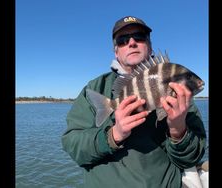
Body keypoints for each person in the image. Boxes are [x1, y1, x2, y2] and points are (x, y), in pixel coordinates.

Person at [61, 16, 207, 188]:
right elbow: (73, 146)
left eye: (139, 37)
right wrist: (113, 135)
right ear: (116, 51)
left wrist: (178, 130)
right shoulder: (95, 88)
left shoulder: (181, 96)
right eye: (122, 40)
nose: (131, 42)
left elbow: (191, 159)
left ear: (150, 46)